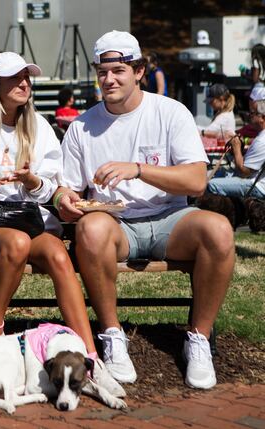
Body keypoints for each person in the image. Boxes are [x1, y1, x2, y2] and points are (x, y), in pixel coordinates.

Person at [0, 51, 124, 395]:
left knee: (56, 252)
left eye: (27, 78)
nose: (24, 84)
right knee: (18, 244)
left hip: (29, 221)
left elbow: (53, 188)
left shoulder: (37, 128)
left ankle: (90, 357)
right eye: (15, 78)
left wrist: (32, 182)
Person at [56, 30, 234, 390]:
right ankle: (112, 335)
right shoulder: (81, 127)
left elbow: (197, 181)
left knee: (218, 229)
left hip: (171, 219)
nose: (109, 79)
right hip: (117, 224)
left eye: (119, 70)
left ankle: (198, 339)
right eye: (103, 72)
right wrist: (65, 199)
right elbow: (69, 188)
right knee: (90, 228)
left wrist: (138, 168)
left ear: (139, 71)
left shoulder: (170, 111)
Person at [206, 97, 265, 199]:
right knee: (221, 173)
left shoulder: (261, 140)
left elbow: (244, 172)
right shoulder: (261, 137)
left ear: (263, 118)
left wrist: (237, 148)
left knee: (211, 184)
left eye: (252, 113)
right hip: (254, 180)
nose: (249, 116)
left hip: (257, 186)